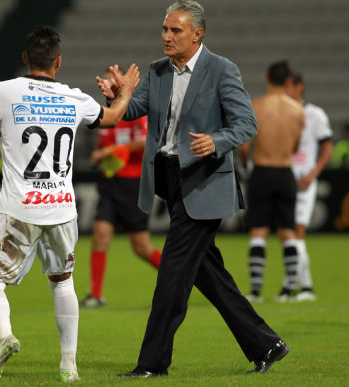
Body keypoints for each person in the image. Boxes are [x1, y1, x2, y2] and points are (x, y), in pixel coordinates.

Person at [97, 0, 289, 377]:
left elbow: (246, 124)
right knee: (209, 274)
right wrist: (117, 95)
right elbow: (135, 108)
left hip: (205, 184)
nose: (166, 36)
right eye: (165, 29)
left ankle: (152, 363)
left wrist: (216, 141)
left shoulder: (222, 70)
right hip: (171, 181)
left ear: (197, 34)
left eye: (175, 30)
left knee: (172, 275)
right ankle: (267, 344)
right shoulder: (158, 70)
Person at [0, 25, 139, 384]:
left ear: (25, 58)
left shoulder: (4, 91)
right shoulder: (74, 97)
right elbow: (112, 117)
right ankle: (69, 367)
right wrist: (124, 93)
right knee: (63, 283)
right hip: (62, 209)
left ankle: (5, 337)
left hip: (19, 208)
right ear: (58, 62)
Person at [79, 68, 162, 309]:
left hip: (133, 184)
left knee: (141, 247)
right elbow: (101, 145)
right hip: (109, 182)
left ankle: (181, 277)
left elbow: (148, 141)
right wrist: (99, 154)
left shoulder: (135, 109)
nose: (108, 84)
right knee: (100, 236)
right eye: (106, 80)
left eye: (113, 80)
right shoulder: (104, 114)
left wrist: (114, 150)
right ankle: (95, 294)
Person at [239, 61, 304, 303]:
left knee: (258, 231)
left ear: (267, 78)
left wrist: (245, 162)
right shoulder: (298, 110)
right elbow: (296, 146)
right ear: (289, 81)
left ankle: (256, 290)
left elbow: (244, 146)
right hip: (286, 171)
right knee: (288, 231)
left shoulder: (255, 107)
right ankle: (288, 288)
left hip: (263, 171)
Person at [280, 73, 333, 301]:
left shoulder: (315, 114)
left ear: (299, 87)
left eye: (289, 87)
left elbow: (327, 147)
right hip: (284, 178)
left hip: (304, 180)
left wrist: (313, 173)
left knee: (296, 231)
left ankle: (301, 287)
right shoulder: (281, 114)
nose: (285, 91)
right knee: (288, 234)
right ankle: (297, 286)